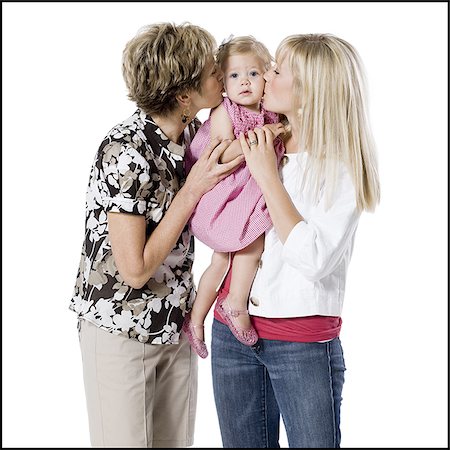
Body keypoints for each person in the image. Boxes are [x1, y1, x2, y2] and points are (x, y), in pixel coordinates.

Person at [69, 22, 244, 448]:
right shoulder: (125, 149)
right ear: (185, 96)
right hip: (121, 331)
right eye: (210, 71)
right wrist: (192, 190)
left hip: (175, 327)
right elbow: (133, 269)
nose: (221, 74)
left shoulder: (192, 138)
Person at [211, 33, 381, 448]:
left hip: (300, 344)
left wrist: (267, 176)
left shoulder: (339, 167)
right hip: (231, 333)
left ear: (308, 91)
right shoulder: (266, 142)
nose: (265, 75)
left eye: (277, 69)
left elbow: (314, 258)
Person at [182, 36, 285, 359]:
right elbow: (221, 150)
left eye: (253, 74)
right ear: (223, 83)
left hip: (248, 194)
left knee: (223, 258)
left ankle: (195, 321)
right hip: (225, 196)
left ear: (266, 76)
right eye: (235, 76)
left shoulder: (271, 111)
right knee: (249, 246)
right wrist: (257, 138)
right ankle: (234, 305)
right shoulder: (225, 111)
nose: (245, 83)